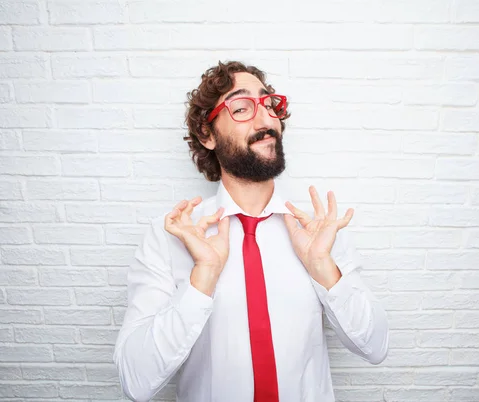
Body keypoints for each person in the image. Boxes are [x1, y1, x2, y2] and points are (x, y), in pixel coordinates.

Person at [113, 61, 389, 402]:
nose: (265, 120)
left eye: (270, 105)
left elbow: (375, 347)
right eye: (242, 108)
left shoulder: (317, 232)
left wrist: (323, 269)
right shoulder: (169, 237)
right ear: (207, 134)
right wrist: (203, 280)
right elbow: (134, 381)